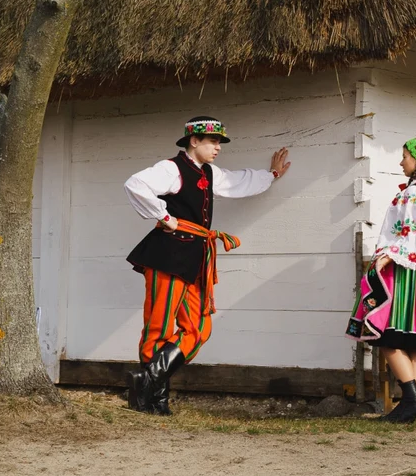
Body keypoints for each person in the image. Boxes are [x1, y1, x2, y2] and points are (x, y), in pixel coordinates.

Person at [123, 116, 291, 414]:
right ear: (194, 141)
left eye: (219, 142)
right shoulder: (171, 169)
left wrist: (272, 175)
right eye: (213, 141)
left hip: (195, 258)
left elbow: (239, 182)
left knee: (199, 327)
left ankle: (145, 381)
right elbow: (135, 184)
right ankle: (155, 401)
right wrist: (165, 217)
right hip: (166, 254)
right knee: (159, 325)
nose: (218, 147)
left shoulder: (211, 173)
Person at [346, 136, 416, 423]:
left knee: (386, 333)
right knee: (414, 338)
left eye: (405, 156)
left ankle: (411, 401)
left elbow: (410, 232)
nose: (401, 162)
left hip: (405, 265)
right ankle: (413, 404)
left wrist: (388, 257)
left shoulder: (415, 192)